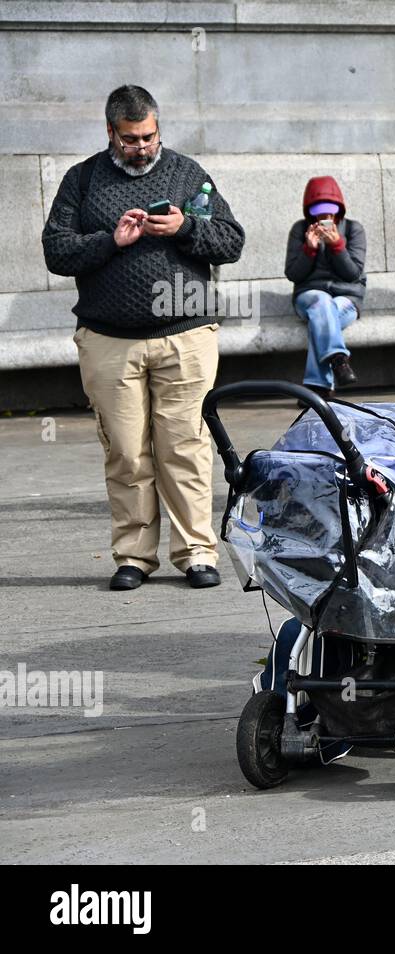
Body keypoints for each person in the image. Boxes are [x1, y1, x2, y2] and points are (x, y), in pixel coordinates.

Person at [41, 84, 245, 592]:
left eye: (150, 136)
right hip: (109, 340)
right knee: (127, 452)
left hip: (185, 334)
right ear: (111, 131)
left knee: (186, 447)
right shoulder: (82, 179)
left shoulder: (188, 173)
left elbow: (232, 241)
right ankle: (133, 556)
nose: (142, 146)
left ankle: (197, 552)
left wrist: (182, 228)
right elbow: (56, 252)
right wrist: (111, 240)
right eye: (131, 139)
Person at [284, 176, 365, 399]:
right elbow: (293, 274)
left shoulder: (353, 229)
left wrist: (337, 246)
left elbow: (353, 273)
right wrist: (308, 250)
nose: (325, 218)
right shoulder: (300, 230)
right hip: (309, 296)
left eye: (330, 213)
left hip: (346, 298)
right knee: (321, 302)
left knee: (321, 318)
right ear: (310, 212)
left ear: (339, 211)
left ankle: (317, 389)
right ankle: (338, 359)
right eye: (319, 213)